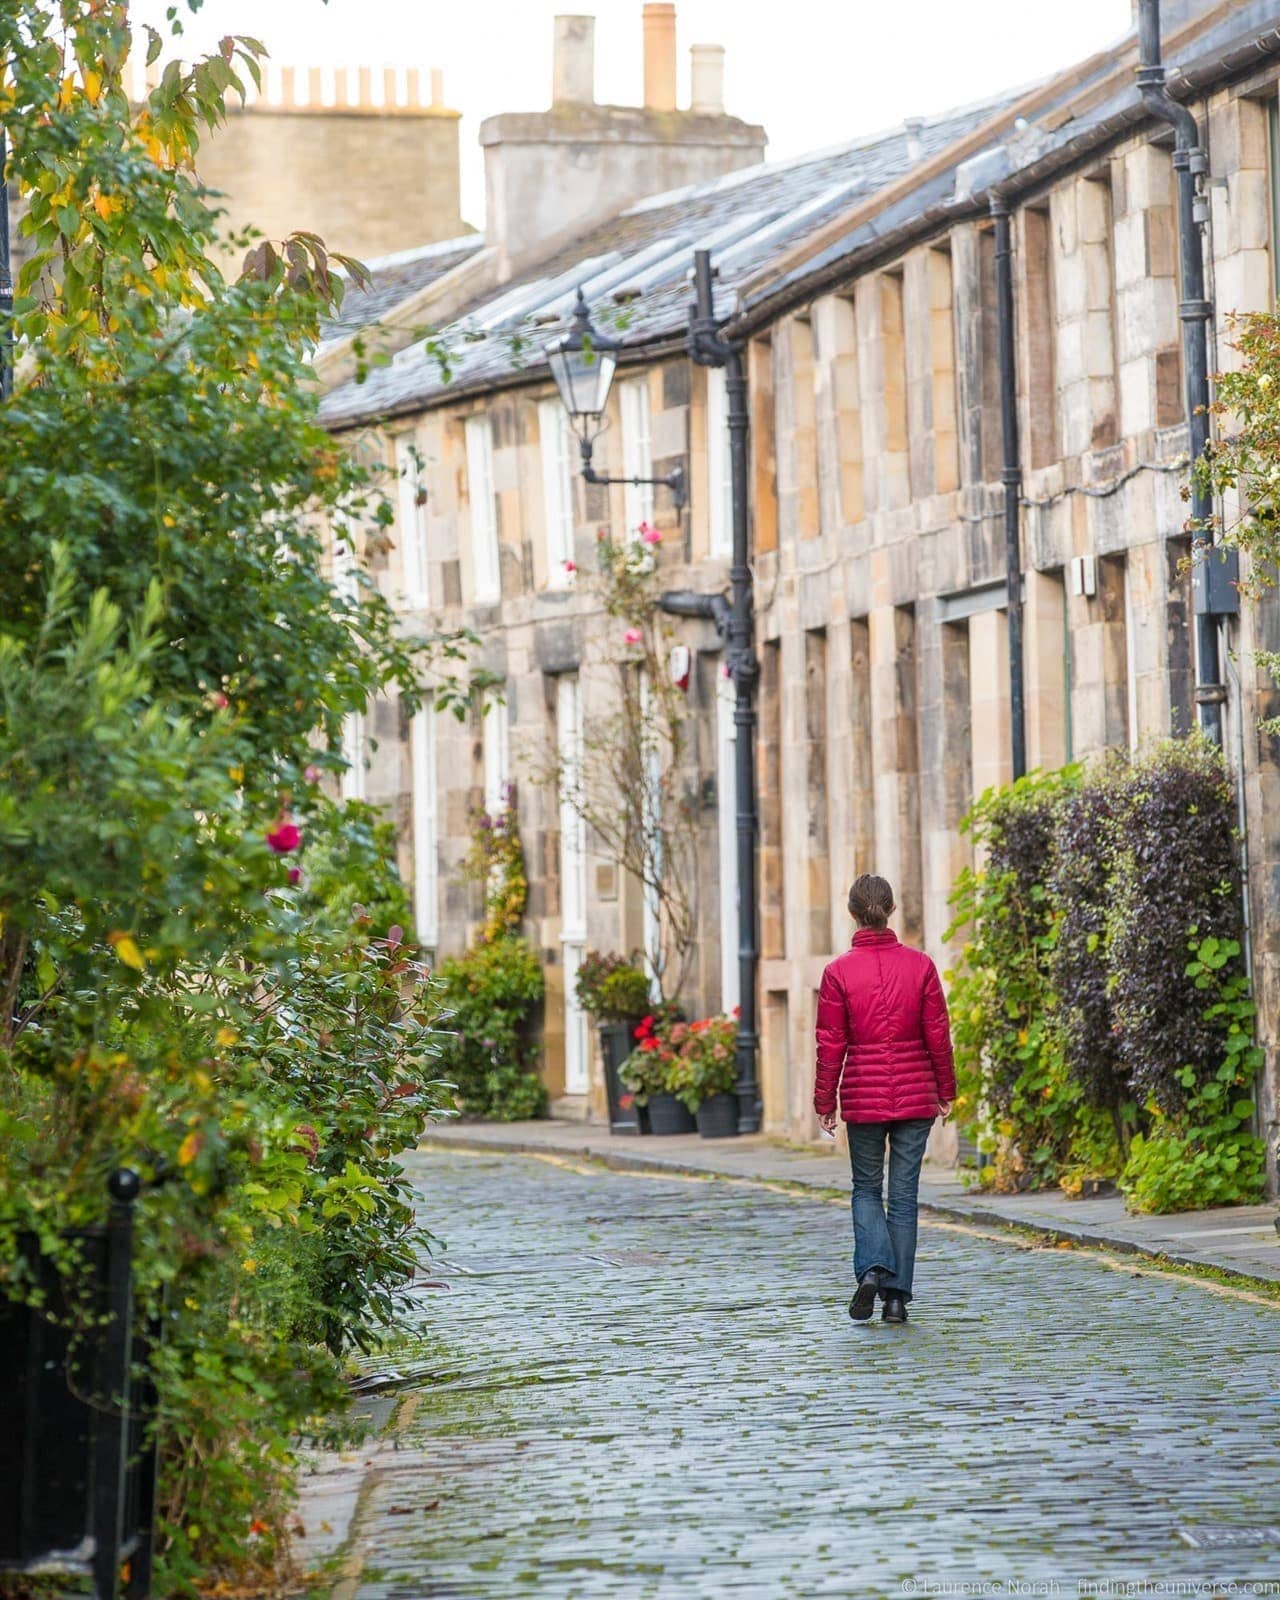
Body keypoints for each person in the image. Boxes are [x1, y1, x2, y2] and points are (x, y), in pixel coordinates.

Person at [813, 873, 956, 1325]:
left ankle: (873, 1267)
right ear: (891, 909)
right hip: (916, 1097)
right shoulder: (921, 966)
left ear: (852, 912)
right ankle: (896, 1300)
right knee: (905, 1195)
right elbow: (938, 1034)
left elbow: (830, 1042)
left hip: (863, 1098)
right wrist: (946, 1089)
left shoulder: (838, 972)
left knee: (866, 1189)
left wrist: (824, 1101)